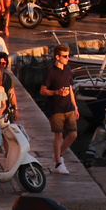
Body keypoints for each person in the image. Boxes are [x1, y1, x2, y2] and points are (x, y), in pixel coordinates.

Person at [39, 45, 80, 174]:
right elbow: (42, 91)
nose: (68, 58)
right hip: (56, 108)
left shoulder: (68, 70)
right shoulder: (50, 72)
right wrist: (56, 92)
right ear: (57, 57)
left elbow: (71, 90)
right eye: (65, 56)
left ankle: (59, 154)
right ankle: (58, 164)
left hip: (68, 107)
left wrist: (75, 107)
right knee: (59, 135)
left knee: (73, 134)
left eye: (68, 55)